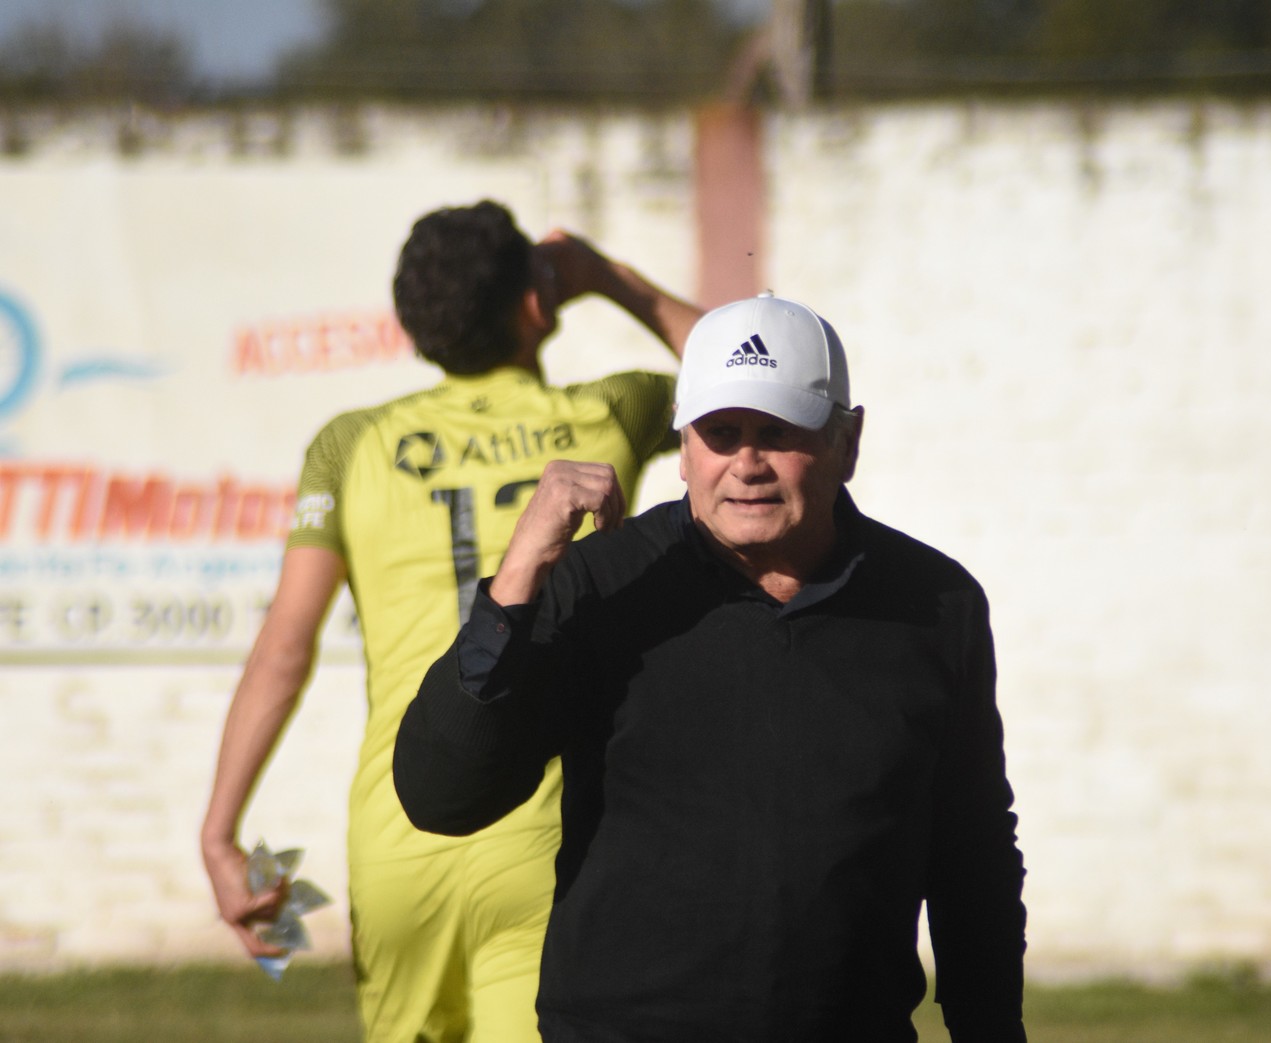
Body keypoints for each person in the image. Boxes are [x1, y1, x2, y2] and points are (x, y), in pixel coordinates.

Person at [394, 292, 1029, 1042]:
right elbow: (442, 796)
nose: (747, 465)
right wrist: (518, 576)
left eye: (778, 432)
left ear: (847, 440)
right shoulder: (600, 583)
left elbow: (972, 850)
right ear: (684, 446)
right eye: (721, 433)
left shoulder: (935, 602)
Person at [200, 199, 703, 1043]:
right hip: (541, 834)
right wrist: (608, 278)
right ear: (535, 303)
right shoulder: (610, 410)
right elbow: (754, 368)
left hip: (397, 836)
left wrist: (220, 832)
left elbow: (284, 650)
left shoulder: (350, 443)